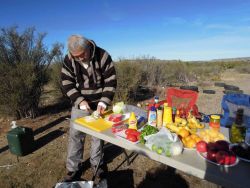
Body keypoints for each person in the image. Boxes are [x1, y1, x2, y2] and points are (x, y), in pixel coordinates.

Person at [61, 34, 117, 181]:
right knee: (75, 136)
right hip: (80, 105)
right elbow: (67, 83)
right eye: (76, 57)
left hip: (99, 104)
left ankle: (97, 165)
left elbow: (111, 81)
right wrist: (80, 100)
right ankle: (73, 169)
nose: (80, 59)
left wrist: (103, 103)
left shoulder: (103, 56)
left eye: (82, 55)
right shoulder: (69, 59)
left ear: (87, 46)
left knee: (97, 136)